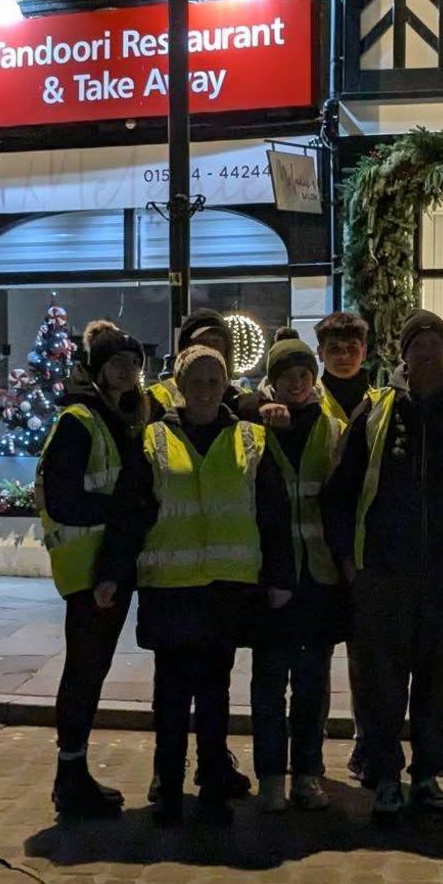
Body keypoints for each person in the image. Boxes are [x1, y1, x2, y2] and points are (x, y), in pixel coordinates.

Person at [99, 345, 293, 825]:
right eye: (197, 380)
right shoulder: (153, 440)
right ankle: (167, 781)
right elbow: (130, 513)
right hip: (172, 588)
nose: (205, 389)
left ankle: (212, 783)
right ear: (180, 386)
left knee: (215, 691)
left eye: (214, 380)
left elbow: (274, 514)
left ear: (225, 386)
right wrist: (111, 572)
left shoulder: (251, 439)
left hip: (228, 589)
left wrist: (281, 577)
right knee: (170, 692)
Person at [322, 309, 443, 819]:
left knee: (436, 678)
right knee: (383, 680)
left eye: (436, 342)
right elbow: (339, 493)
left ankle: (428, 774)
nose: (428, 351)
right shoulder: (376, 412)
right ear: (404, 354)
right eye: (418, 343)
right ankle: (385, 774)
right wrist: (349, 560)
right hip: (384, 573)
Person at [35, 321, 151, 819]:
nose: (128, 371)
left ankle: (73, 773)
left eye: (135, 363)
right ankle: (70, 773)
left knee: (91, 669)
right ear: (98, 368)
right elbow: (62, 498)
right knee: (84, 670)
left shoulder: (119, 416)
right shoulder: (81, 420)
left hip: (109, 564)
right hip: (90, 570)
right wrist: (122, 513)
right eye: (119, 362)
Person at [246, 337, 349, 812]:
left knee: (312, 684)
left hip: (319, 576)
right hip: (272, 575)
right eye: (288, 373)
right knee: (269, 682)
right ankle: (270, 777)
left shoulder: (333, 427)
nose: (298, 381)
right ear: (274, 379)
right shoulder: (254, 426)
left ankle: (307, 774)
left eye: (305, 373)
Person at [315, 310, 372, 424]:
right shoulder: (310, 400)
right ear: (320, 353)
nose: (344, 355)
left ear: (364, 352)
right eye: (334, 348)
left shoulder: (380, 402)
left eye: (352, 347)